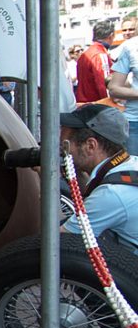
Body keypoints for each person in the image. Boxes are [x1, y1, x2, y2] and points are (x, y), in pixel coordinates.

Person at [59, 103, 138, 252]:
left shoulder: (112, 194)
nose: (62, 152)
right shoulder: (130, 165)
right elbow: (90, 196)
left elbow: (57, 242)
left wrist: (43, 179)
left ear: (90, 146)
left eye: (65, 146)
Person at [76, 20, 115, 105]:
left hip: (83, 104)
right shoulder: (100, 55)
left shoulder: (84, 55)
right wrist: (111, 105)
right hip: (97, 106)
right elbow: (105, 85)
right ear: (111, 36)